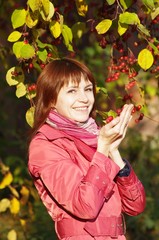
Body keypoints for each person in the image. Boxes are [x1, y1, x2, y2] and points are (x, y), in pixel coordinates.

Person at [28, 57, 146, 240]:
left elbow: (135, 206)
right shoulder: (45, 145)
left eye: (88, 89)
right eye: (72, 91)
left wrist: (114, 152)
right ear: (51, 99)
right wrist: (103, 148)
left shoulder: (94, 138)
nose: (84, 98)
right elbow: (85, 206)